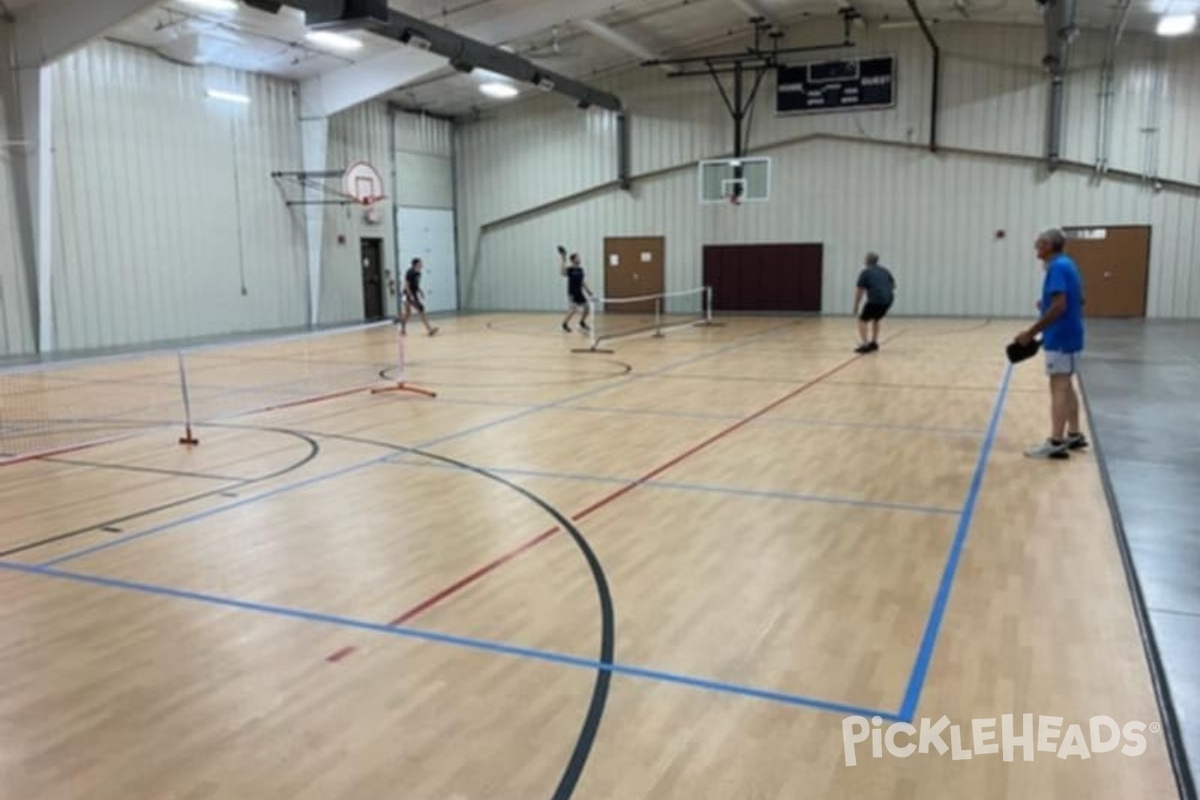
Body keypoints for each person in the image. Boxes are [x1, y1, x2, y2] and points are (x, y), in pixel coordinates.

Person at [1015, 228, 1088, 459]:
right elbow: (1079, 299)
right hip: (1071, 335)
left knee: (1058, 387)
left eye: (1038, 244)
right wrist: (1046, 304)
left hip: (1060, 338)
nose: (1036, 248)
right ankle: (1074, 434)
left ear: (1047, 245)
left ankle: (1056, 441)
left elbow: (1060, 306)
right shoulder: (1069, 264)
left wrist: (1030, 332)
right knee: (1066, 385)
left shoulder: (1056, 267)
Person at [853, 252, 895, 353]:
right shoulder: (885, 271)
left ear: (867, 261)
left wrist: (856, 305)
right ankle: (874, 342)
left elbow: (860, 290)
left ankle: (865, 344)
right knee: (876, 318)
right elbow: (893, 285)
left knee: (862, 320)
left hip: (876, 299)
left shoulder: (865, 272)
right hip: (888, 299)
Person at [399, 258, 438, 337]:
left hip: (412, 294)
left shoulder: (418, 273)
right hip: (407, 295)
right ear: (415, 264)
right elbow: (406, 285)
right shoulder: (410, 272)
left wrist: (420, 291)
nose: (422, 264)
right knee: (421, 309)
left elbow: (416, 285)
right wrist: (410, 296)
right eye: (420, 263)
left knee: (408, 314)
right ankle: (429, 330)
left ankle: (402, 329)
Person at [560, 249, 593, 333]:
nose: (579, 259)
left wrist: (588, 290)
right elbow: (562, 273)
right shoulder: (570, 269)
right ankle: (564, 324)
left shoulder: (580, 269)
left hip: (579, 292)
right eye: (578, 258)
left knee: (587, 308)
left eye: (579, 258)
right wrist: (563, 259)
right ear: (573, 260)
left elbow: (582, 281)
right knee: (573, 309)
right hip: (572, 292)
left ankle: (582, 323)